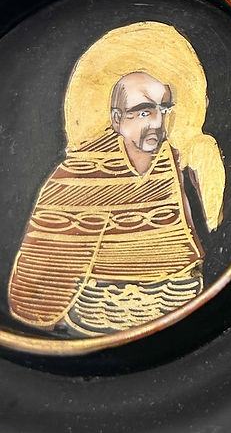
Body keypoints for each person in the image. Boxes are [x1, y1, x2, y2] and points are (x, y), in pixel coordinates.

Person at [9, 70, 217, 336]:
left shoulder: (180, 165)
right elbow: (41, 273)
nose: (157, 123)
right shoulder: (77, 174)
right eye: (143, 112)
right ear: (117, 119)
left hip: (178, 304)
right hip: (95, 315)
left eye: (163, 110)